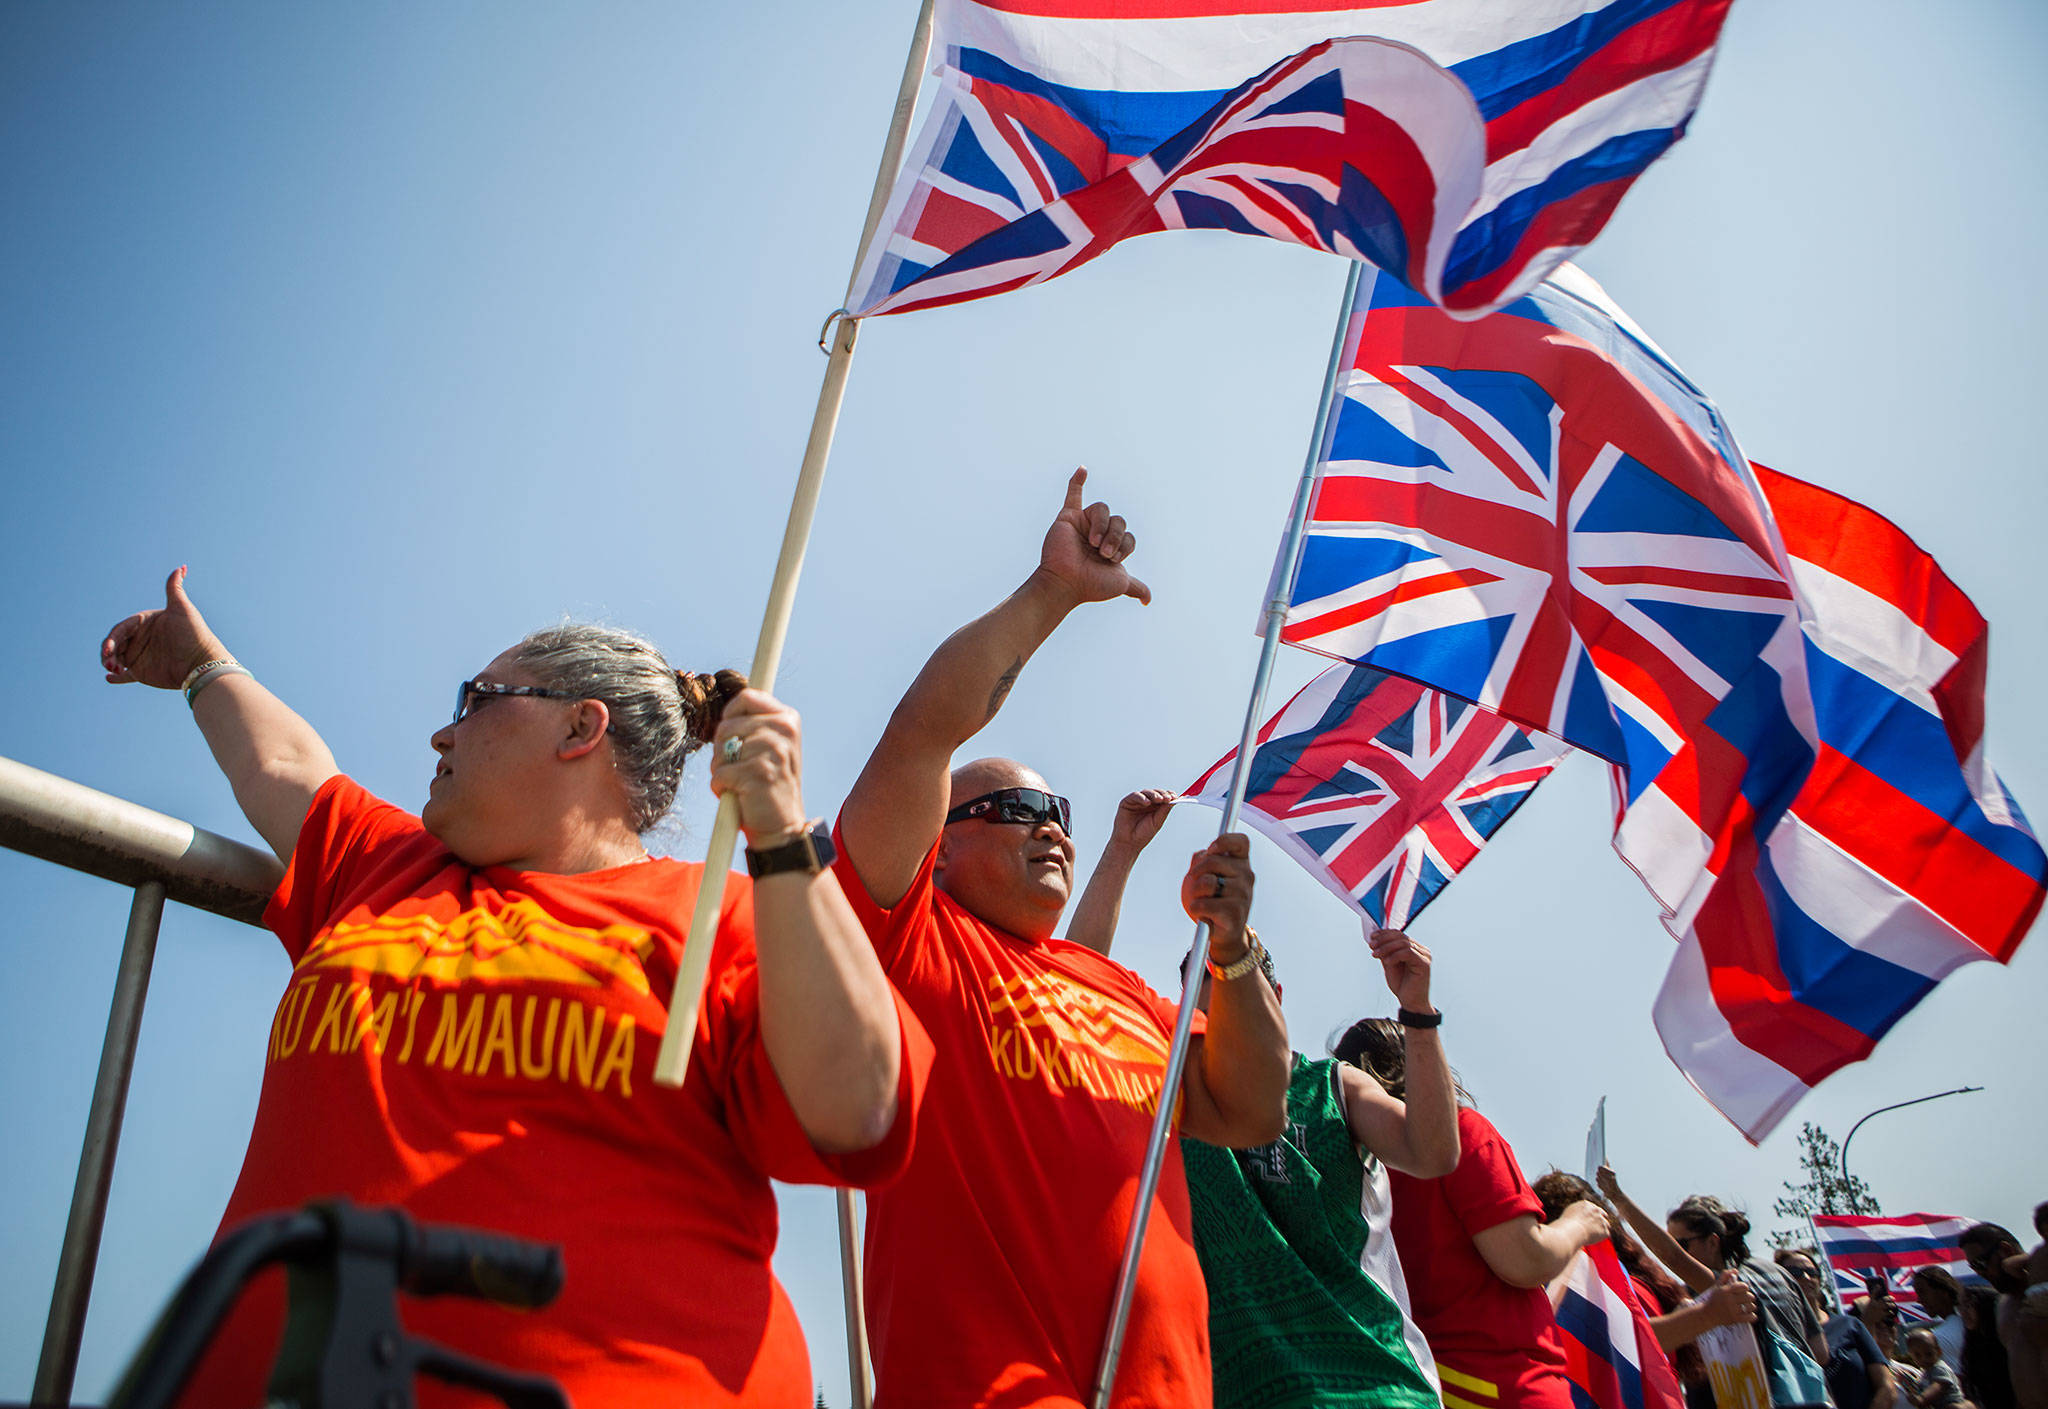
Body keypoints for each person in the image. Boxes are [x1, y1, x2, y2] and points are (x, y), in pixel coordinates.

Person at [101, 569, 930, 1408]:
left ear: (580, 725)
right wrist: (199, 663)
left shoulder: (731, 913)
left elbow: (859, 1108)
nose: (440, 735)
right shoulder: (387, 865)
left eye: (475, 699)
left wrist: (783, 832)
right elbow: (283, 762)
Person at [830, 470, 1293, 1407]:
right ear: (940, 846)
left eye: (1060, 810)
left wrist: (1233, 950)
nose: (1053, 829)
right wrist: (1054, 594)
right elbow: (924, 731)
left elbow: (1252, 1110)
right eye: (1016, 808)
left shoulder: (1117, 990)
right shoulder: (910, 940)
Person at [1066, 789, 1460, 1409]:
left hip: (1373, 1386)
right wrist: (1121, 851)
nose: (1219, 983)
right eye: (1203, 976)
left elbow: (1432, 1152)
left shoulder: (1330, 1085)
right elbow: (1075, 993)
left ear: (1272, 991)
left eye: (1235, 963)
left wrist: (1418, 1011)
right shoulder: (1164, 1089)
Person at [1349, 1026, 1610, 1409]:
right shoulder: (1463, 1135)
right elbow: (1524, 1260)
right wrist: (1577, 1223)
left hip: (1405, 1387)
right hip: (1501, 1387)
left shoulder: (1344, 1167)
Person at [1600, 1176, 1827, 1408]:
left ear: (1712, 1242)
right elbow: (1821, 1351)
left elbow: (1673, 1259)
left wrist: (1618, 1199)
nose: (1679, 1251)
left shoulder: (1724, 1285)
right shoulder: (1780, 1273)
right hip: (1812, 1398)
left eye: (1683, 1243)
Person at [1777, 1247, 1896, 1409]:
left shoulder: (1850, 1325)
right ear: (1779, 1280)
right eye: (1795, 1272)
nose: (1806, 1278)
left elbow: (1886, 1387)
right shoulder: (1778, 1335)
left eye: (1811, 1272)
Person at [1960, 1221, 2048, 1409]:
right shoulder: (2003, 1306)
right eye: (1974, 1268)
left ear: (2006, 1250)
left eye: (1981, 1263)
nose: (1981, 1273)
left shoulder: (2043, 1284)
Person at [1961, 1286, 2018, 1409]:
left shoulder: (2006, 1342)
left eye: (1969, 1305)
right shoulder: (1972, 1347)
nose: (1963, 1312)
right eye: (1961, 1306)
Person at [1918, 1268, 1970, 1372]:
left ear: (1943, 1292)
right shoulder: (1969, 1322)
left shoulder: (1936, 1338)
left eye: (1922, 1292)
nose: (1919, 1300)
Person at [1904, 1328, 1967, 1409]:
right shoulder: (1926, 1372)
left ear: (1939, 1352)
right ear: (1911, 1356)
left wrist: (1922, 1398)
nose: (1924, 1359)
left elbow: (1939, 1386)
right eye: (1917, 1355)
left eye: (1929, 1354)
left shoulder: (1940, 1367)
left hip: (1952, 1404)